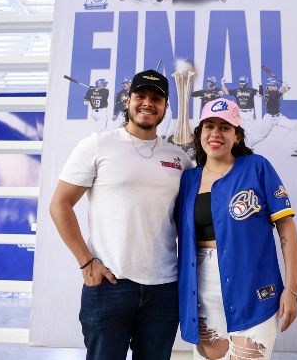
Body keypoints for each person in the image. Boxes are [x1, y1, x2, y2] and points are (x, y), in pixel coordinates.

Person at [49, 69, 192, 360]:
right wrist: (86, 262)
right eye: (141, 96)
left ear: (166, 107)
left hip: (164, 289)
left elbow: (186, 221)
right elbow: (59, 204)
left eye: (156, 98)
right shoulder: (98, 144)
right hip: (110, 284)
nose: (147, 103)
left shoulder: (179, 158)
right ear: (128, 100)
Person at [176, 98, 297, 360]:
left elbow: (286, 230)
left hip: (253, 290)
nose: (216, 133)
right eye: (209, 126)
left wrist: (291, 289)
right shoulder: (187, 179)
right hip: (201, 291)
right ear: (200, 134)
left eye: (225, 127)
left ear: (238, 136)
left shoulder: (257, 168)